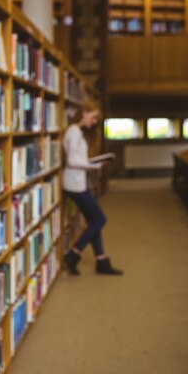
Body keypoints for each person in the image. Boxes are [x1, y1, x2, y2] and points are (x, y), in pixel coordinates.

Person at [61, 101, 123, 276]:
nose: (95, 121)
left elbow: (76, 158)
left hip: (78, 183)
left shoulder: (76, 132)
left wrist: (92, 162)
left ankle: (101, 260)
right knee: (100, 220)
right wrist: (93, 166)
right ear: (85, 112)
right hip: (74, 185)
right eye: (94, 116)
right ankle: (74, 254)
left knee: (93, 220)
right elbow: (72, 162)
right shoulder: (74, 132)